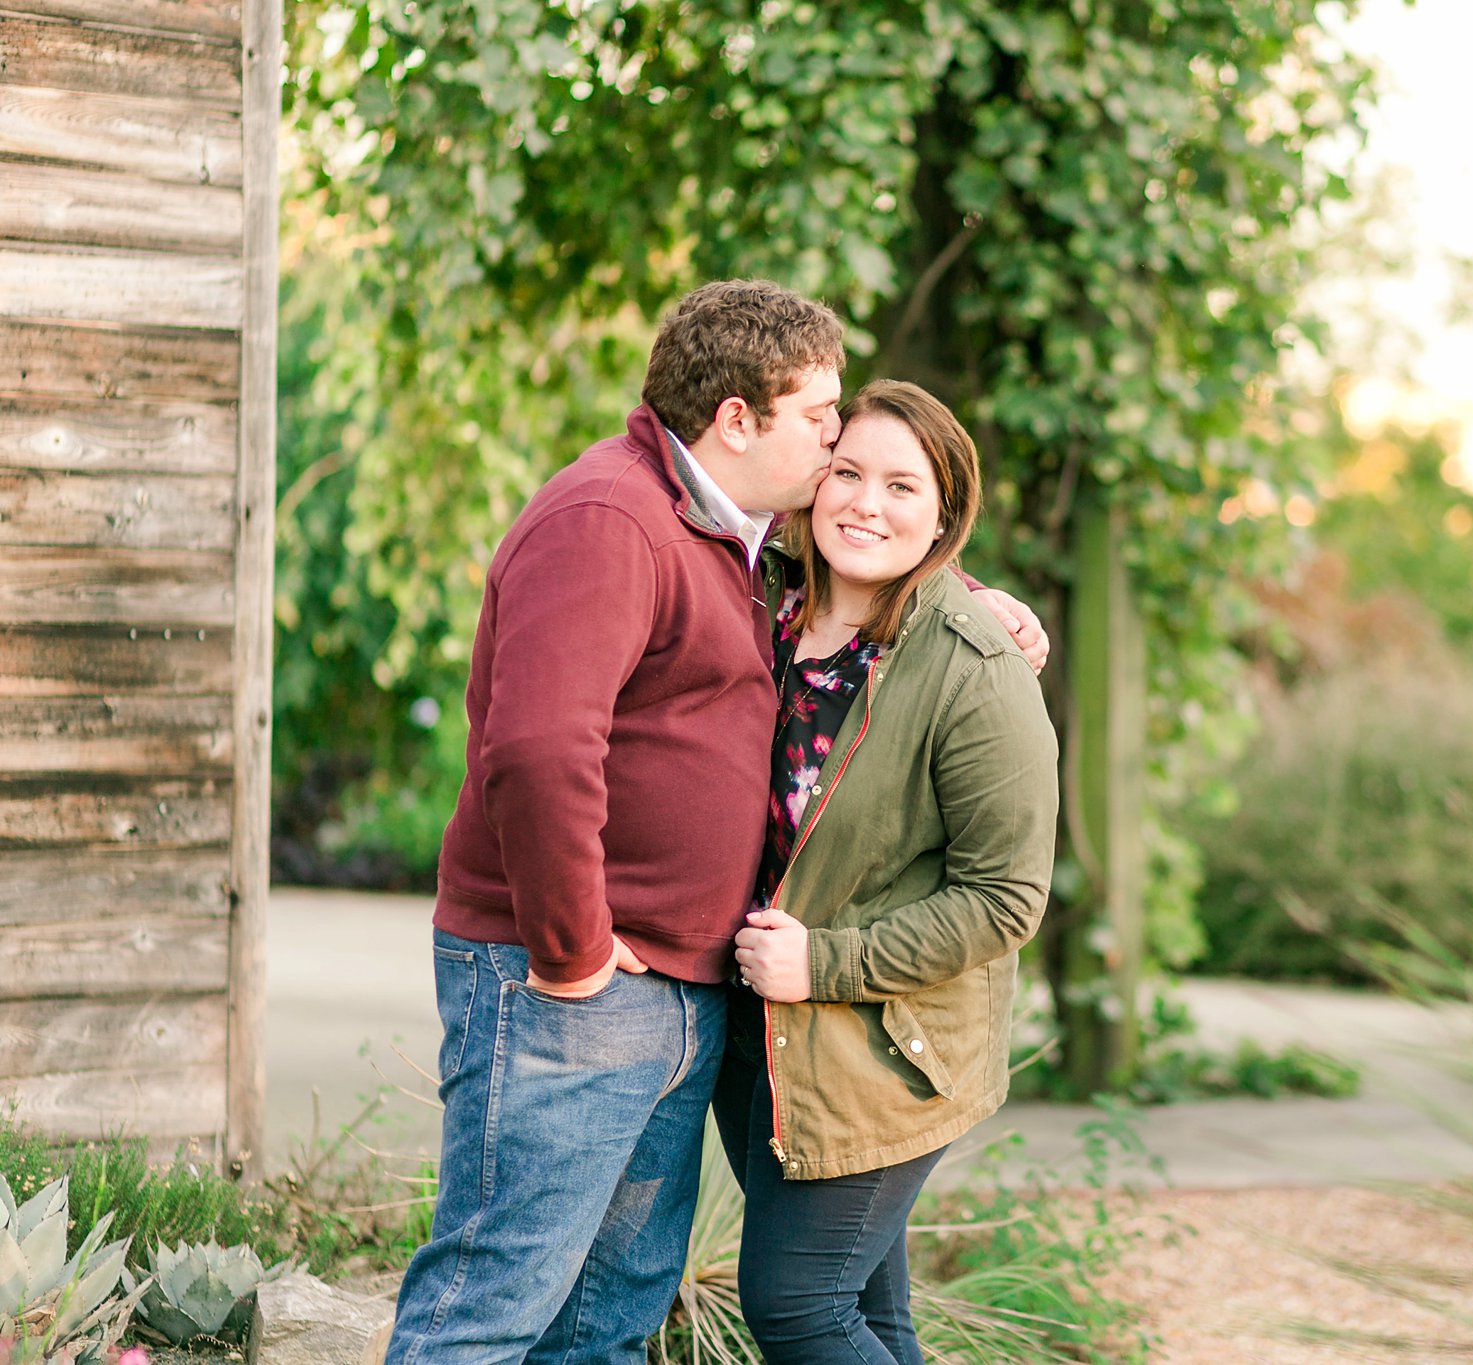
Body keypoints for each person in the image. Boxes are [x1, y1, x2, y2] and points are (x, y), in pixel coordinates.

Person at [385, 283, 1044, 1365]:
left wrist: (973, 595)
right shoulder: (616, 519)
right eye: (821, 424)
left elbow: (878, 546)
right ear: (738, 421)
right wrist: (572, 950)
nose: (836, 451)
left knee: (610, 1316)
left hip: (708, 1000)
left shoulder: (737, 540)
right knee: (495, 1308)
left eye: (854, 440)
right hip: (579, 989)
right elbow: (539, 752)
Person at [714, 380, 1059, 1365]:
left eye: (901, 486)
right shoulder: (766, 599)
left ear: (943, 515)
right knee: (868, 1314)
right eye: (848, 473)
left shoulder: (973, 663)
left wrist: (821, 966)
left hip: (883, 1041)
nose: (866, 503)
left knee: (796, 1305)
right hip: (764, 1032)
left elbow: (1004, 898)